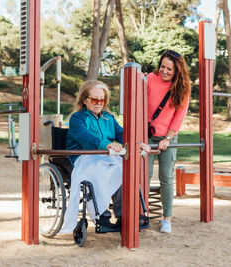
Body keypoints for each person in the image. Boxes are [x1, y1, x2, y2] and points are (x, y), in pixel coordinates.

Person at [59, 80, 150, 234]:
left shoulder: (108, 118)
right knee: (99, 171)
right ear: (85, 99)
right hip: (84, 157)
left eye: (102, 100)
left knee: (124, 170)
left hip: (104, 156)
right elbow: (85, 138)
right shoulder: (77, 118)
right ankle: (102, 217)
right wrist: (106, 145)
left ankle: (124, 215)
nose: (99, 103)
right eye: (94, 100)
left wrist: (137, 143)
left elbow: (122, 134)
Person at [147, 50, 191, 233]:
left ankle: (167, 218)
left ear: (177, 71)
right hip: (147, 134)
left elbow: (179, 115)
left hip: (168, 135)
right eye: (162, 66)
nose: (164, 71)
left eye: (169, 69)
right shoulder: (149, 78)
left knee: (166, 176)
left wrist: (168, 138)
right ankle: (142, 214)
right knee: (144, 175)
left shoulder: (182, 87)